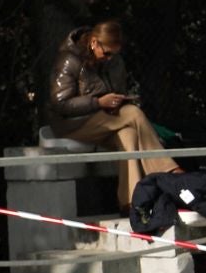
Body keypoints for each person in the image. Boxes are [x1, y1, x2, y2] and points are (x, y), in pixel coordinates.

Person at [44, 19, 181, 208]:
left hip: (104, 120)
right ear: (94, 43)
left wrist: (118, 101)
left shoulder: (114, 62)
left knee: (128, 134)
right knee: (133, 114)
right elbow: (60, 103)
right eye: (106, 53)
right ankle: (169, 172)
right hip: (72, 124)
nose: (109, 58)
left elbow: (115, 91)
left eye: (114, 55)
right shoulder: (69, 60)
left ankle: (131, 203)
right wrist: (98, 102)